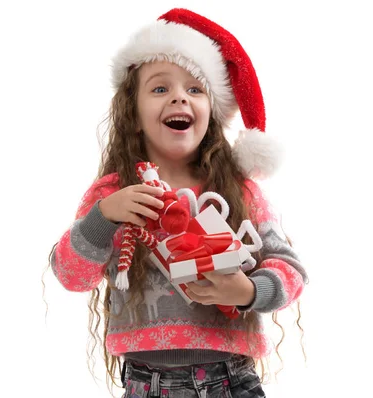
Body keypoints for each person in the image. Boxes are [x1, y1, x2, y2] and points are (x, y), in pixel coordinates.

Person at [49, 8, 309, 398]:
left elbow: (291, 271)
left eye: (194, 89)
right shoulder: (113, 194)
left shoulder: (240, 192)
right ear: (133, 115)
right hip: (145, 384)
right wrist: (104, 217)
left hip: (232, 381)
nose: (178, 97)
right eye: (159, 88)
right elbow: (71, 275)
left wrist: (248, 292)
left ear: (212, 114)